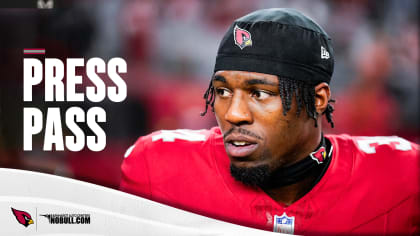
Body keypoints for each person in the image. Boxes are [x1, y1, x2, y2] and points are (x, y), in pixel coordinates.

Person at [120, 8, 419, 235]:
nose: (234, 113)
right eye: (223, 91)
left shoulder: (404, 175)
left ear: (318, 100)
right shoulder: (156, 166)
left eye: (260, 93)